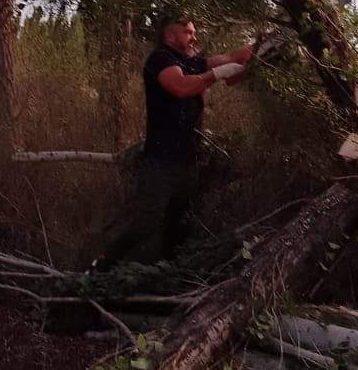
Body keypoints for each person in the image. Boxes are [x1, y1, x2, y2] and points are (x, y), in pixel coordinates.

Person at [97, 15, 253, 268]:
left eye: (194, 32)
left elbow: (227, 57)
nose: (194, 37)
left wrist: (255, 50)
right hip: (160, 161)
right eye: (188, 32)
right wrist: (217, 74)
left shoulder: (191, 61)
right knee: (146, 221)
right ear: (171, 36)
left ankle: (167, 276)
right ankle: (102, 266)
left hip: (187, 161)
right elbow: (181, 87)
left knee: (179, 226)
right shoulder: (161, 59)